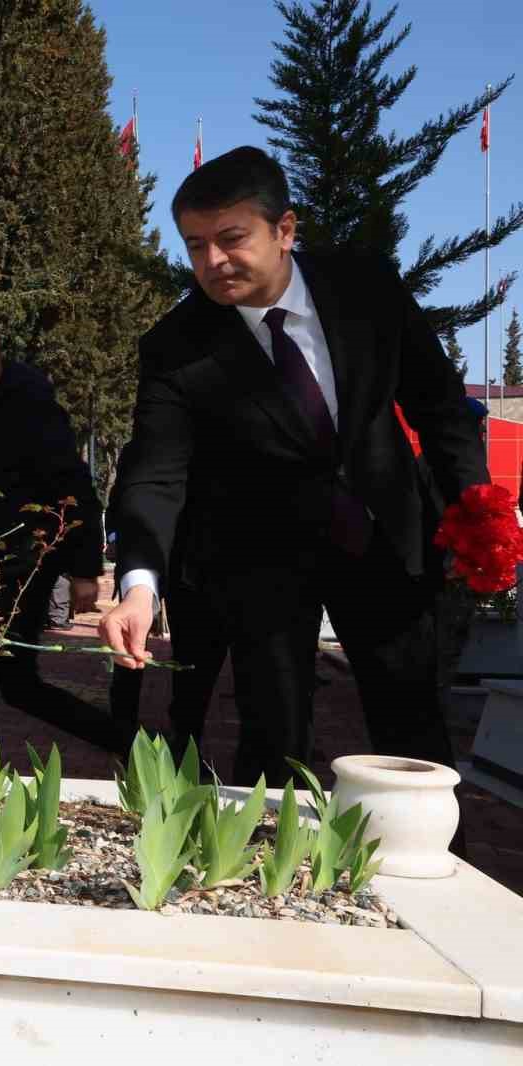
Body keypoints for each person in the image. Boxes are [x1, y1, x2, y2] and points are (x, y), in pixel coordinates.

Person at [101, 146, 488, 785]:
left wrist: (474, 507)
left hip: (385, 541)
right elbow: (156, 470)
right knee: (273, 745)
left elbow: (440, 407)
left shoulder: (366, 290)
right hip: (263, 565)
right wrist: (140, 584)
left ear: (284, 230)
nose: (213, 262)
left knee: (415, 735)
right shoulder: (175, 348)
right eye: (195, 246)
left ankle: (438, 864)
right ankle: (275, 877)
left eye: (231, 239)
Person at [0, 309, 123, 754]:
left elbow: (75, 485)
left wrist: (84, 571)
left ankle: (137, 745)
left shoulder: (31, 406)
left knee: (1, 679)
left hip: (24, 563)